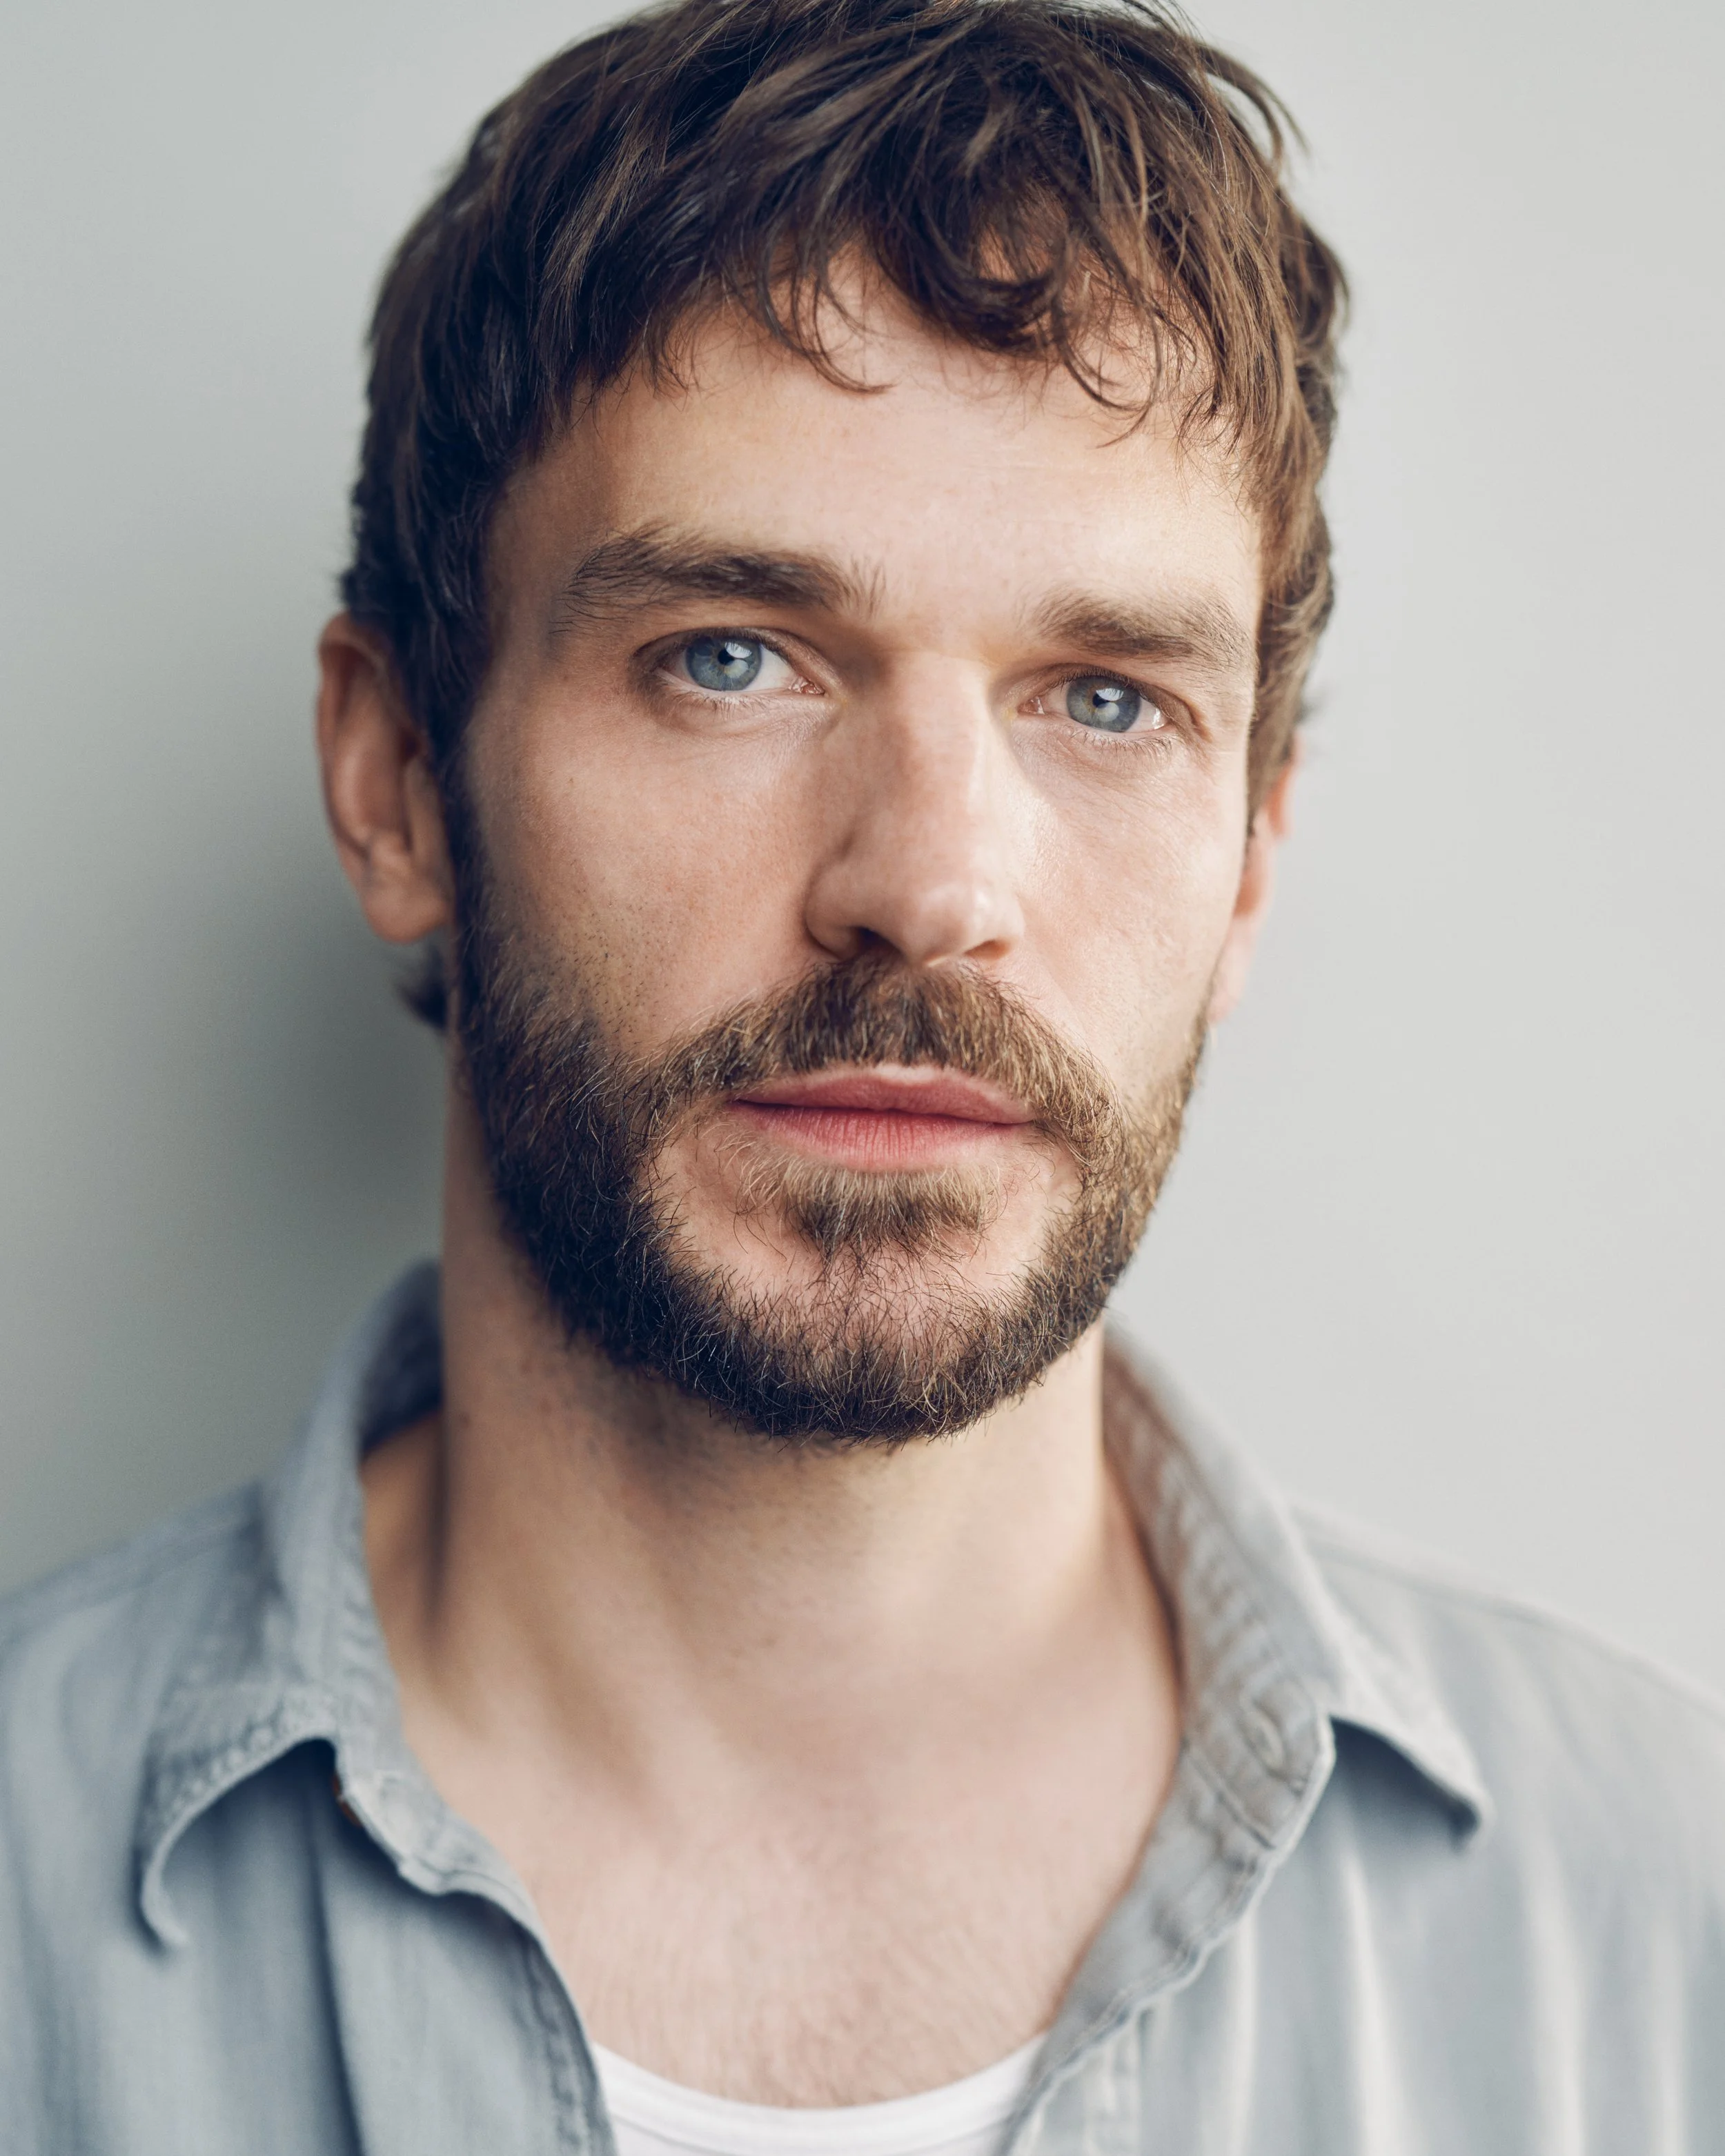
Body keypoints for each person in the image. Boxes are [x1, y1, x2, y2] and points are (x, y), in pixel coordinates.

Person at [3, 0, 1722, 2148]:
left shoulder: (1661, 1930)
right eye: (728, 657)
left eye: (1103, 698)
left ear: (1251, 856)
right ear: (393, 782)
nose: (927, 883)